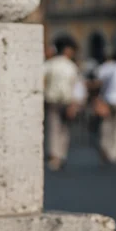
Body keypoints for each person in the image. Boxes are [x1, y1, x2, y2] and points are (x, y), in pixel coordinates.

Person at [43, 34, 80, 170]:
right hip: (66, 100)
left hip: (52, 100)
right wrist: (75, 103)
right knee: (64, 129)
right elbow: (76, 86)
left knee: (53, 127)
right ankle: (61, 153)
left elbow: (42, 81)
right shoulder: (71, 66)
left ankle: (54, 155)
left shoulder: (49, 64)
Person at [97, 48, 116, 164]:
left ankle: (105, 146)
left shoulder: (107, 68)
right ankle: (115, 153)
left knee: (106, 125)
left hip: (108, 100)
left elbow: (99, 83)